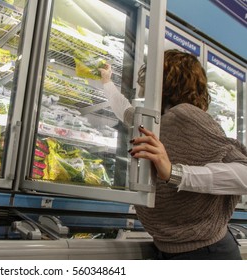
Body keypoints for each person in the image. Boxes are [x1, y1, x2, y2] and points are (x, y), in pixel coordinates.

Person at [99, 49, 247, 260]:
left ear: (164, 82)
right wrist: (107, 82)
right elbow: (124, 110)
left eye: (148, 79)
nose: (142, 87)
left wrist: (174, 172)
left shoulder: (189, 116)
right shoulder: (156, 120)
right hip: (172, 250)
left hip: (207, 255)